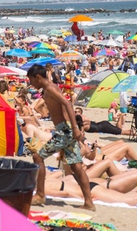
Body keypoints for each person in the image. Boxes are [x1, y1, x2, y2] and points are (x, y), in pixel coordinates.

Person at [27, 64, 95, 211]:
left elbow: (68, 104)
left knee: (38, 157)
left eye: (31, 79)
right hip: (65, 129)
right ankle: (89, 202)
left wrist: (76, 128)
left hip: (64, 131)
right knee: (76, 166)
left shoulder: (50, 89)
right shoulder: (49, 88)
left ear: (38, 77)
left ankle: (40, 194)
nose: (30, 83)